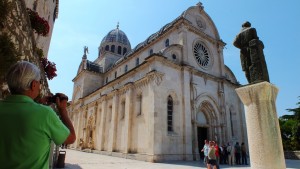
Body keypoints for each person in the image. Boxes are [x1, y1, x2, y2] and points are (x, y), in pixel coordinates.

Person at [0, 61, 76, 169]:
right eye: (39, 82)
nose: (40, 86)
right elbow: (71, 138)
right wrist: (63, 110)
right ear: (33, 84)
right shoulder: (45, 114)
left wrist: (37, 103)